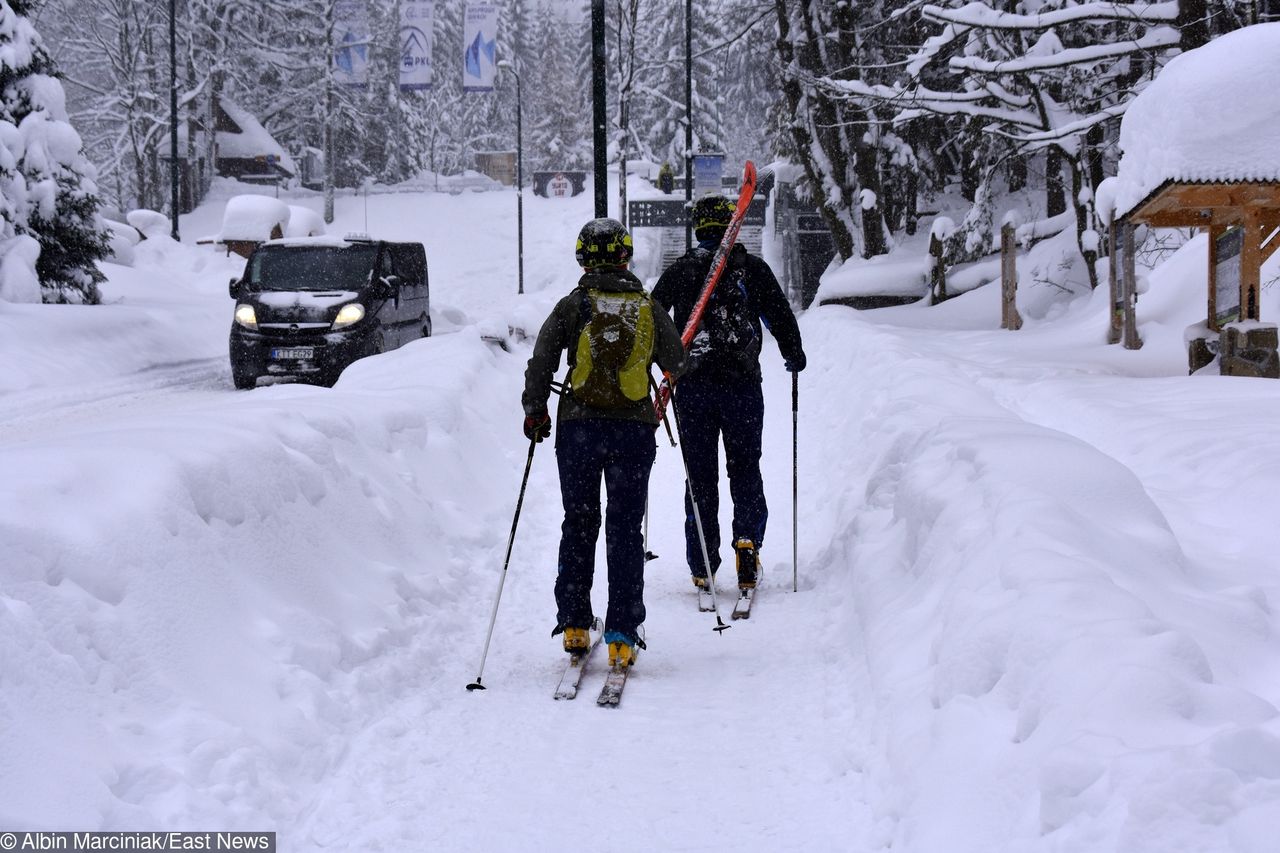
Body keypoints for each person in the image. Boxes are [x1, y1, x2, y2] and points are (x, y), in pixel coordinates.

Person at [523, 218, 686, 668]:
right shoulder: (648, 306)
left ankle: (575, 624)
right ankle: (621, 632)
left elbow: (541, 362)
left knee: (578, 522)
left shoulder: (572, 305)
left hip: (578, 429)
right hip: (632, 430)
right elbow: (676, 361)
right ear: (624, 256)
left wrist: (535, 411)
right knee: (624, 528)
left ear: (583, 258)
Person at [652, 194, 805, 592]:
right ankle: (748, 544)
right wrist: (793, 354)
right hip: (742, 386)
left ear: (698, 228)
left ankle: (702, 560)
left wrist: (657, 364)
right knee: (745, 467)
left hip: (693, 388)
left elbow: (651, 319)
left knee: (699, 476)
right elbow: (779, 316)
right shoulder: (751, 269)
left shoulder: (682, 269)